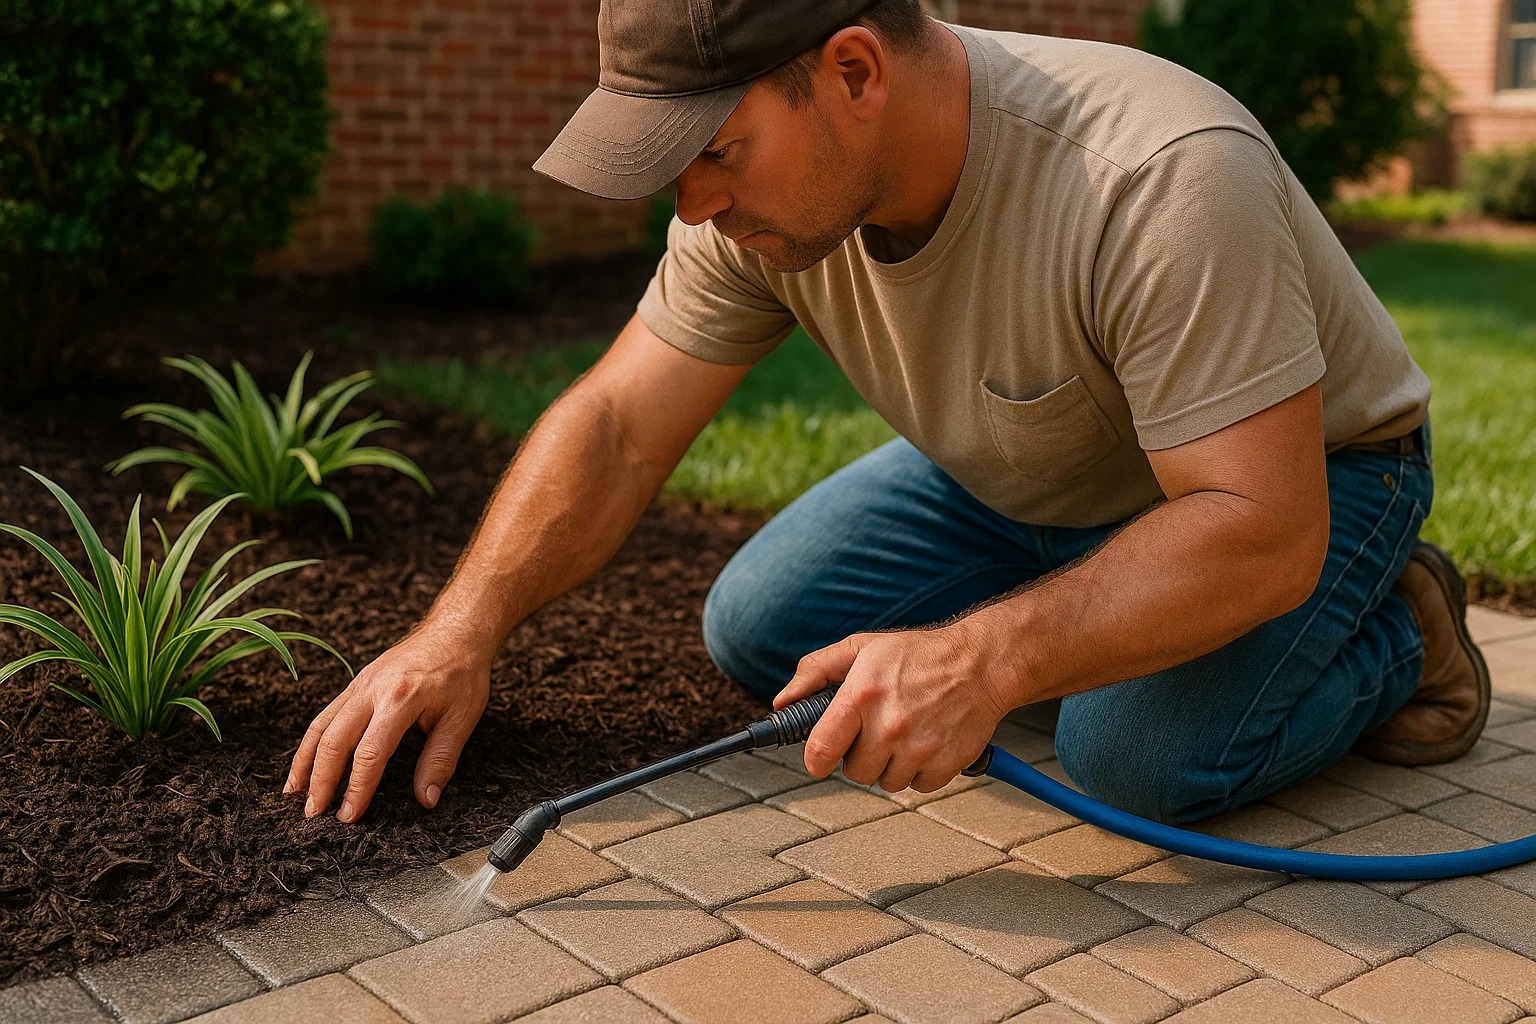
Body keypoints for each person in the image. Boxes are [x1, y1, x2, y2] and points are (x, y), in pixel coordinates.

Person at [284, 0, 1492, 825]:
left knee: (1134, 764)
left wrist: (982, 656)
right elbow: (616, 419)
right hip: (1041, 467)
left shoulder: (1156, 171)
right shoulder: (760, 208)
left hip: (1297, 483)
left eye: (714, 148)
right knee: (764, 634)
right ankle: (1096, 600)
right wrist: (463, 625)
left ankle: (1401, 629)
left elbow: (1260, 525)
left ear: (854, 72)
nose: (693, 202)